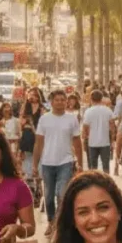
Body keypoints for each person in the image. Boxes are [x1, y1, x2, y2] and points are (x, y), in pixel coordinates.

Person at [33, 90, 84, 235]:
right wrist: (34, 164)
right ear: (51, 101)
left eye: (63, 99)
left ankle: (61, 224)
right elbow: (38, 143)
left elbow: (77, 141)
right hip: (47, 162)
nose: (60, 102)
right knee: (48, 197)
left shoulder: (71, 119)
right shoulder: (44, 119)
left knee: (62, 194)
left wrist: (80, 163)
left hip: (65, 162)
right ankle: (51, 221)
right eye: (57, 99)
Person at [82, 89, 116, 173]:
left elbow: (85, 128)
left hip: (92, 142)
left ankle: (94, 182)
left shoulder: (88, 112)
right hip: (105, 142)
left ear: (91, 98)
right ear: (102, 98)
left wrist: (84, 140)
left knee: (93, 167)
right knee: (106, 166)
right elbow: (112, 127)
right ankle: (107, 182)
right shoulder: (108, 110)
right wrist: (112, 140)